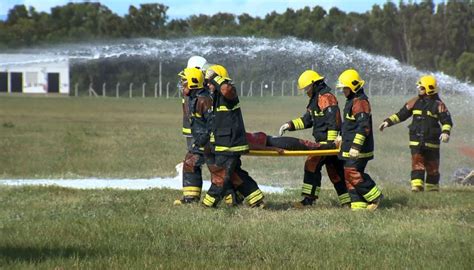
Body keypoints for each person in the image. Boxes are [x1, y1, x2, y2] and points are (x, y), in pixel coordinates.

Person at [278, 70, 349, 208]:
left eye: (306, 88)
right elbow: (307, 120)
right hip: (325, 143)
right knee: (336, 172)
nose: (306, 91)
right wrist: (289, 125)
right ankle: (347, 201)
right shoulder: (315, 99)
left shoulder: (325, 97)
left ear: (314, 84)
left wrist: (330, 144)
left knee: (311, 164)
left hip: (327, 143)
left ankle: (308, 201)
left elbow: (333, 121)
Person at [202, 65, 265, 208]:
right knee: (235, 173)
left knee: (221, 175)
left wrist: (215, 78)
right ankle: (256, 198)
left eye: (210, 82)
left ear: (219, 80)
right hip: (224, 143)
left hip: (230, 145)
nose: (209, 85)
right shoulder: (216, 97)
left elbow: (226, 90)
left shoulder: (229, 92)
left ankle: (208, 204)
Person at [379, 75, 453, 192]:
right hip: (416, 140)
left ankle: (432, 189)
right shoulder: (414, 102)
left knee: (432, 166)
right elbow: (401, 115)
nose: (419, 89)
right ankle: (416, 186)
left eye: (422, 88)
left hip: (432, 141)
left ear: (429, 89)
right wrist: (388, 122)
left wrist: (445, 132)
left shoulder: (439, 105)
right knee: (417, 162)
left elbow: (446, 120)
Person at [336, 69, 383, 210]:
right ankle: (358, 205)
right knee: (348, 173)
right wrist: (340, 135)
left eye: (345, 88)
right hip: (349, 146)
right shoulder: (352, 101)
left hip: (359, 148)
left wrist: (356, 147)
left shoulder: (360, 102)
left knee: (351, 171)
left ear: (353, 87)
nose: (343, 91)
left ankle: (375, 196)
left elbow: (364, 127)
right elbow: (349, 124)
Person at [174, 56, 208, 205]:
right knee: (192, 161)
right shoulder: (194, 88)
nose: (183, 83)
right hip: (193, 131)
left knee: (212, 164)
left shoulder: (201, 90)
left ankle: (230, 195)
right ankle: (191, 197)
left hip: (201, 133)